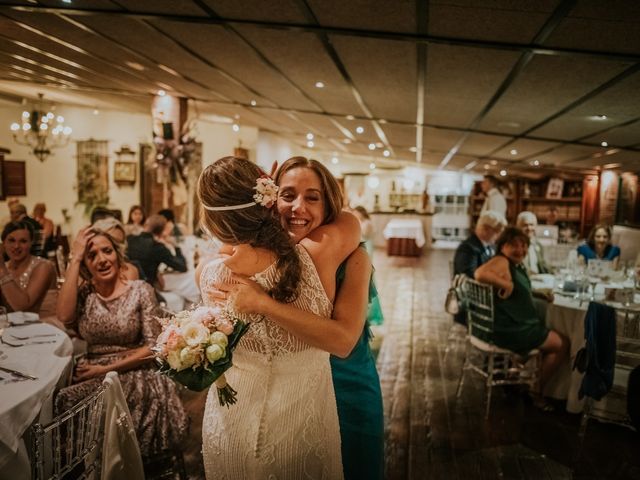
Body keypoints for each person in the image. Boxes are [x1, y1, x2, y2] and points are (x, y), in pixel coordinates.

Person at [208, 156, 384, 480]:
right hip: (281, 398)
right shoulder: (252, 253)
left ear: (328, 203)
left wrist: (262, 303)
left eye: (312, 197)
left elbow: (343, 341)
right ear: (271, 201)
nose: (297, 207)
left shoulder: (352, 256)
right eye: (288, 195)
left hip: (346, 383)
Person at [55, 227, 188, 458]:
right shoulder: (86, 294)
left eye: (107, 251)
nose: (102, 259)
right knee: (64, 398)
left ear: (118, 255)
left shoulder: (140, 290)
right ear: (85, 265)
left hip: (135, 372)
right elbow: (64, 317)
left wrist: (103, 370)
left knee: (91, 402)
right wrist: (74, 258)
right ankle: (90, 466)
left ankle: (117, 465)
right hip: (92, 371)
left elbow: (154, 348)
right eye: (91, 255)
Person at [474, 227, 568, 410]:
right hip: (511, 329)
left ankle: (515, 371)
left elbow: (519, 289)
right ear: (502, 247)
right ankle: (536, 391)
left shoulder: (516, 264)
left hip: (511, 325)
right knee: (561, 343)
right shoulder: (502, 261)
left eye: (524, 245)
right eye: (514, 245)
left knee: (548, 334)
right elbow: (480, 274)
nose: (520, 250)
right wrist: (505, 284)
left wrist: (539, 294)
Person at [452, 211, 506, 325]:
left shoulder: (488, 246)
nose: (499, 236)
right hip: (472, 303)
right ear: (486, 229)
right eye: (497, 231)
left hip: (484, 297)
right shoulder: (468, 248)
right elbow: (469, 276)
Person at [0, 221, 56, 313]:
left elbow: (23, 307)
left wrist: (2, 270)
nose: (16, 246)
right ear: (3, 244)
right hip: (10, 324)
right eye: (11, 240)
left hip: (44, 324)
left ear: (31, 243)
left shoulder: (43, 266)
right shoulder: (4, 266)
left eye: (23, 241)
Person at [126, 214, 187, 287]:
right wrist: (176, 247)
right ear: (162, 231)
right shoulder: (157, 247)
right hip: (147, 287)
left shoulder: (129, 239)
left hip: (127, 284)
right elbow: (182, 267)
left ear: (145, 225)